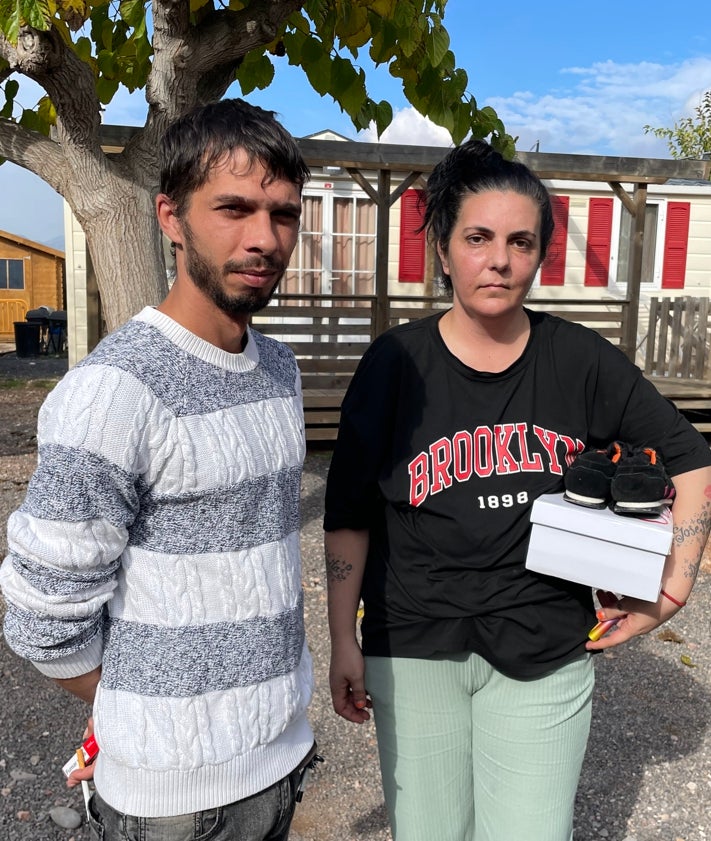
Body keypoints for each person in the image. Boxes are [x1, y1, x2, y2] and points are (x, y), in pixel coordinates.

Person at [323, 139, 711, 841]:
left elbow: (689, 456)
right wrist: (339, 639)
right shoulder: (394, 363)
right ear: (444, 250)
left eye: (519, 241)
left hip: (542, 648)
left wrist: (670, 590)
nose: (497, 258)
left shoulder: (578, 358)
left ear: (537, 256)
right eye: (476, 237)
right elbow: (348, 513)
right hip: (412, 646)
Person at [0, 98, 316, 841]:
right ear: (170, 218)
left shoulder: (278, 370)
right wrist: (143, 706)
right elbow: (40, 620)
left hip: (280, 762)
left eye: (282, 213)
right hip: (174, 806)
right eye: (233, 208)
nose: (263, 237)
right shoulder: (115, 391)